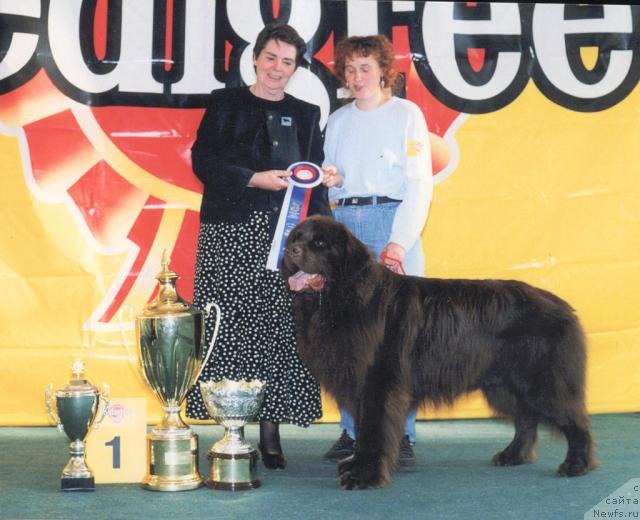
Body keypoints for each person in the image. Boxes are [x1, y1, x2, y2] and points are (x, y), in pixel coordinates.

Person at [186, 23, 331, 470]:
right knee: (229, 331)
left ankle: (272, 433)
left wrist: (321, 252)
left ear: (296, 68)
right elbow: (203, 160)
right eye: (271, 58)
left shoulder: (307, 113)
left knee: (280, 332)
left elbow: (316, 181)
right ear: (255, 58)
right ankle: (233, 430)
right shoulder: (224, 103)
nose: (277, 69)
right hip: (230, 235)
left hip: (288, 243)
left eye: (287, 62)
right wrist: (252, 178)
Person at [321, 34, 433, 467]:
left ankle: (400, 437)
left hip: (393, 222)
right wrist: (333, 179)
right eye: (349, 69)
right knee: (348, 337)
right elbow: (337, 178)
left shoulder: (407, 114)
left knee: (399, 340)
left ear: (385, 69)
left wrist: (399, 242)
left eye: (365, 67)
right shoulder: (338, 120)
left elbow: (419, 183)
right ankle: (352, 433)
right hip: (346, 229)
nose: (356, 76)